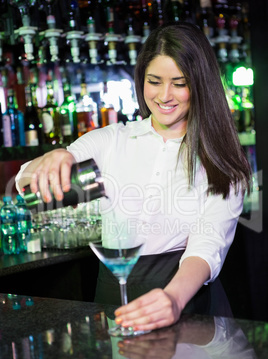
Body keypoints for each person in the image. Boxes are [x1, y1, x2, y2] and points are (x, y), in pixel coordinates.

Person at [16, 22, 251, 333]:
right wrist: (56, 158)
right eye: (154, 81)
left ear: (200, 85)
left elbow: (207, 246)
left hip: (187, 299)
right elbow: (28, 188)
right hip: (115, 295)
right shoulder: (112, 140)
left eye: (179, 83)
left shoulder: (221, 161)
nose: (165, 95)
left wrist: (172, 299)